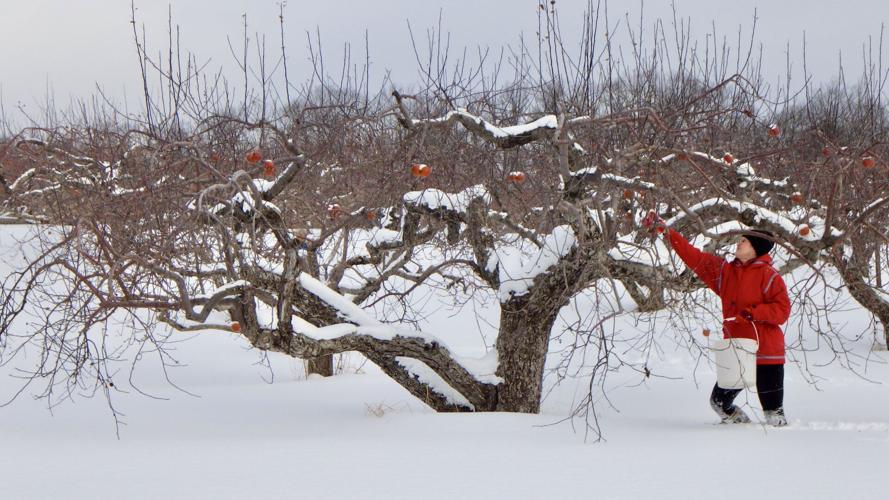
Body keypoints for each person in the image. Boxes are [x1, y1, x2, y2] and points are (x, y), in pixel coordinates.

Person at [643, 212, 791, 426]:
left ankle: (776, 450)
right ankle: (739, 431)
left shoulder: (770, 276)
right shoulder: (724, 272)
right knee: (719, 403)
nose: (738, 243)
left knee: (774, 416)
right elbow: (692, 256)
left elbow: (782, 311)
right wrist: (665, 231)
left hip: (767, 353)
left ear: (755, 248)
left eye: (744, 241)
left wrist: (754, 313)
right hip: (738, 350)